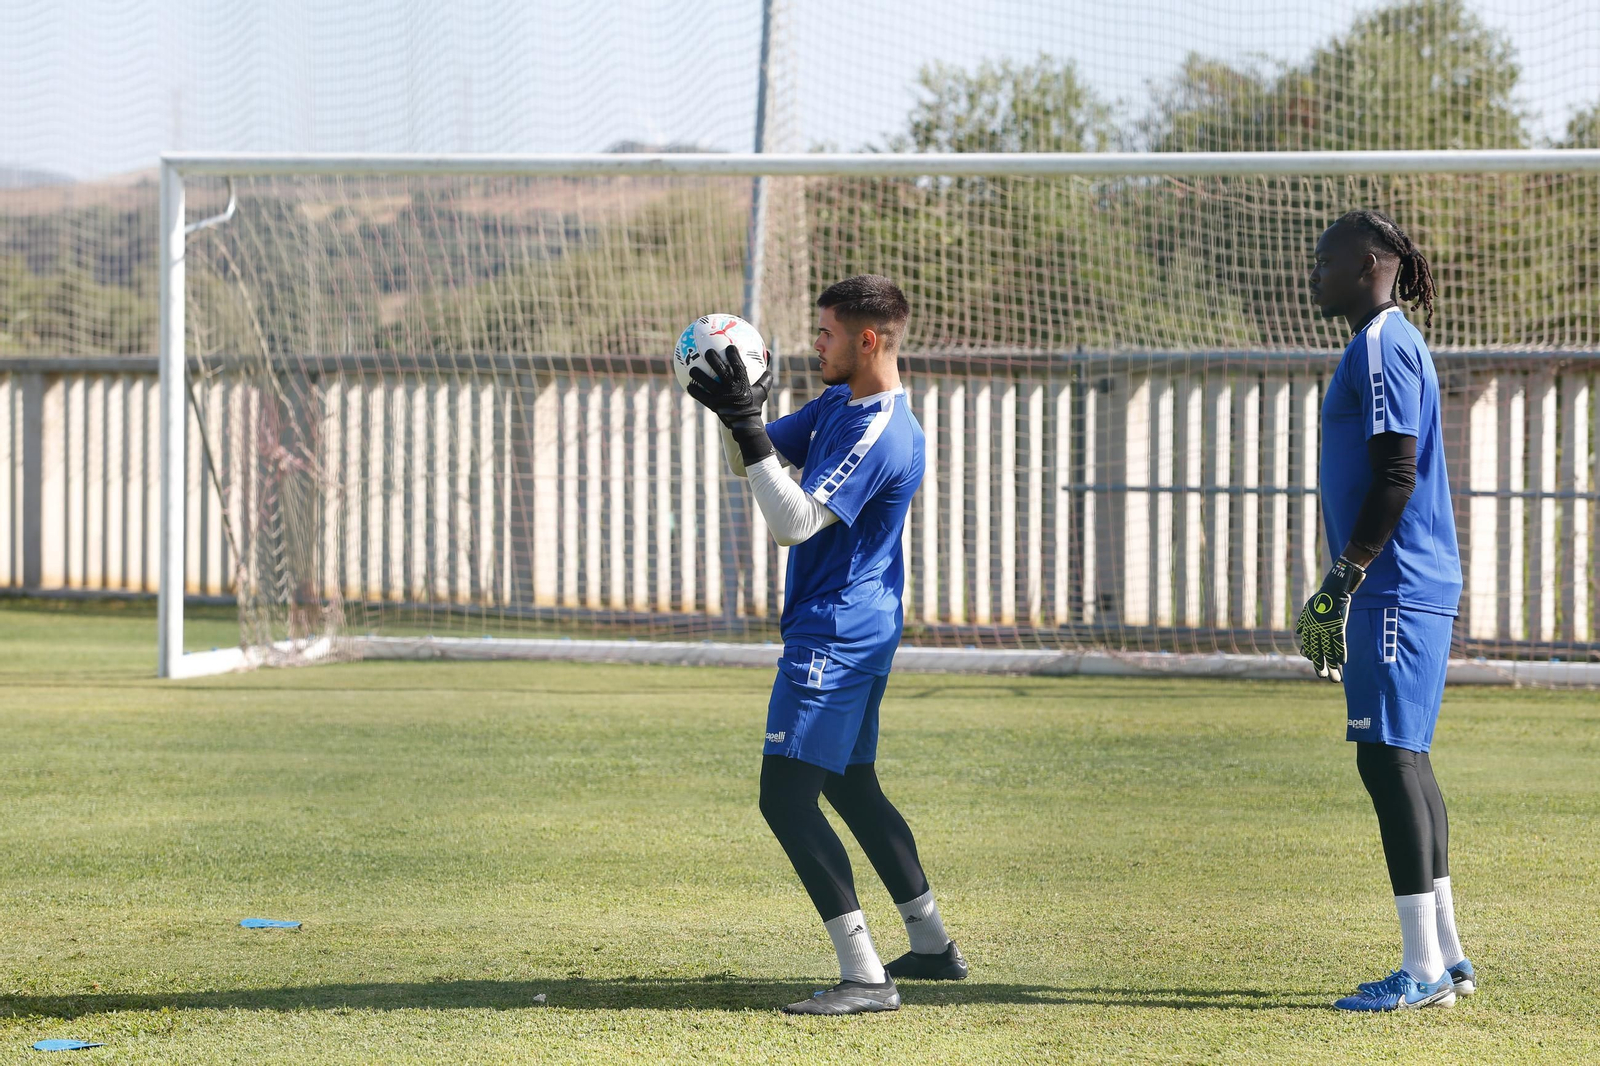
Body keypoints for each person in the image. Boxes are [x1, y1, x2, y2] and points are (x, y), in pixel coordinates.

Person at [686, 274, 966, 1016]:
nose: (815, 345)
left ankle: (866, 978)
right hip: (856, 625)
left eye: (826, 334)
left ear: (867, 340)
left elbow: (794, 524)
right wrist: (737, 414)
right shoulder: (839, 403)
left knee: (784, 799)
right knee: (850, 785)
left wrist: (748, 425)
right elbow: (748, 463)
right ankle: (932, 945)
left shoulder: (882, 430)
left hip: (836, 635)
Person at [1298, 210, 1474, 1012]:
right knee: (1408, 759)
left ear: (1371, 263)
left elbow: (1396, 474)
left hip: (1394, 587)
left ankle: (1421, 969)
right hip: (1403, 584)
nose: (1315, 273)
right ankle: (1448, 955)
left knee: (1388, 760)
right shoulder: (1387, 341)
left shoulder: (1381, 343)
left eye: (1325, 259)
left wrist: (1342, 581)